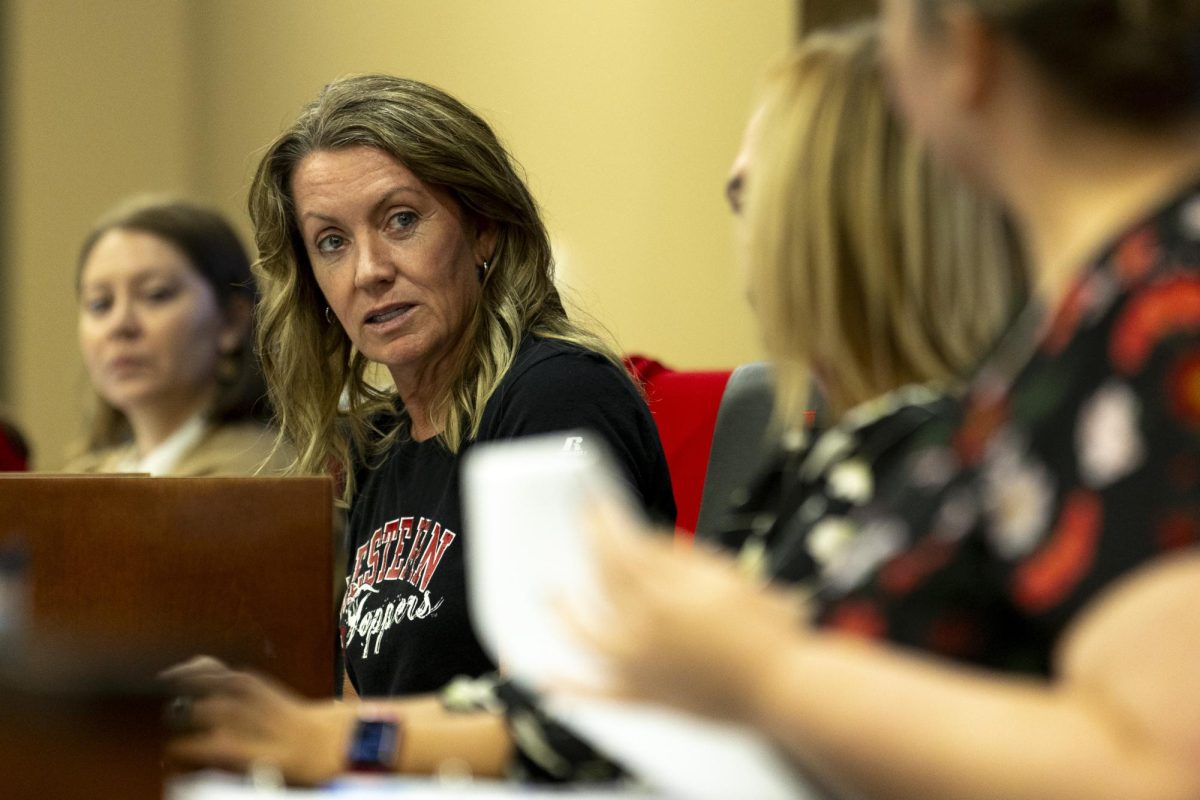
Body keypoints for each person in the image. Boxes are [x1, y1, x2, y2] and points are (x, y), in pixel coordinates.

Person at [573, 7, 1200, 800]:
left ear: (966, 50)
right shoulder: (1089, 315)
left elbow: (1163, 768)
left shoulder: (1160, 308)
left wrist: (764, 668)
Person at [167, 74, 675, 782]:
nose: (370, 271)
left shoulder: (557, 396)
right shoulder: (381, 443)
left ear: (484, 227)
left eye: (402, 219)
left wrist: (334, 739)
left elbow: (558, 724)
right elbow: (360, 704)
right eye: (332, 242)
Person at [64, 197, 289, 476]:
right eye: (101, 304)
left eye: (156, 295)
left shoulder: (260, 477)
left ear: (231, 320)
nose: (120, 325)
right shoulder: (88, 476)